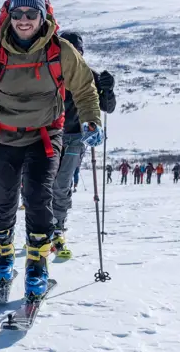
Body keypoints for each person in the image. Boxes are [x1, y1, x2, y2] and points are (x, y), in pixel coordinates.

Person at [0, 0, 103, 301]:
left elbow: (84, 89)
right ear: (9, 17)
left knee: (39, 197)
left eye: (31, 14)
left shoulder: (61, 50)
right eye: (18, 14)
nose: (24, 20)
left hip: (45, 135)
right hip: (4, 135)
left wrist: (91, 121)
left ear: (43, 17)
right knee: (3, 201)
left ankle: (37, 266)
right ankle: (3, 261)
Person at [46, 31, 117, 259]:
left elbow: (107, 107)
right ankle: (42, 230)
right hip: (48, 135)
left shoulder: (90, 76)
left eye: (78, 52)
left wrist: (108, 89)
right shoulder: (50, 73)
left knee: (62, 183)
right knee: (44, 184)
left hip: (75, 136)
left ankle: (57, 228)